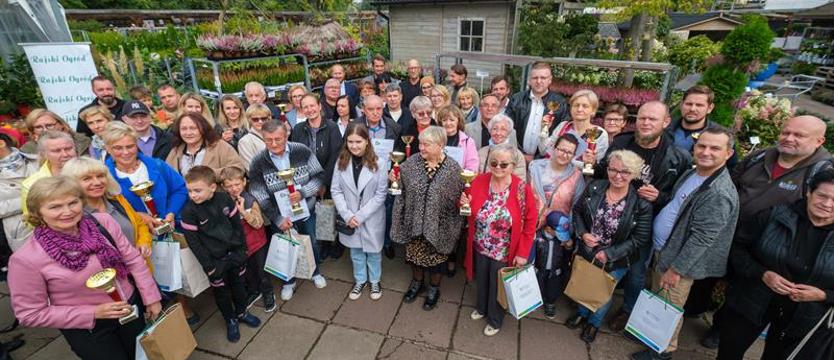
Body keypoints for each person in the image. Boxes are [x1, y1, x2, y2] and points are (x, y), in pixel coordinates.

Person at [700, 115, 833, 348]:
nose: (789, 138)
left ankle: (719, 328)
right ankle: (707, 313)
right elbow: (732, 181)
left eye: (799, 135)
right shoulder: (761, 156)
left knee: (742, 294)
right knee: (715, 282)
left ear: (819, 141)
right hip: (728, 236)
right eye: (786, 132)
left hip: (768, 250)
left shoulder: (822, 175)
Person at [9, 177, 161, 360]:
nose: (67, 212)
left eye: (73, 202)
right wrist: (93, 313)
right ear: (38, 212)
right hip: (91, 330)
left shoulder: (103, 222)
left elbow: (133, 260)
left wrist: (151, 299)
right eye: (55, 207)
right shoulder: (26, 259)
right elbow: (30, 314)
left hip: (132, 309)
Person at [631, 127, 739, 360]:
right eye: (702, 146)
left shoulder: (719, 192)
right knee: (659, 298)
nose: (706, 152)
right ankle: (652, 337)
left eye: (715, 148)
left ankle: (663, 351)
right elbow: (676, 203)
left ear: (728, 153)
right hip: (664, 249)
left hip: (678, 261)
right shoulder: (693, 173)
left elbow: (703, 238)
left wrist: (676, 269)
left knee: (669, 306)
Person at [594, 101, 693, 332]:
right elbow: (602, 174)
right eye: (642, 118)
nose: (646, 123)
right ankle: (590, 304)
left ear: (665, 122)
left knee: (637, 273)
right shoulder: (621, 142)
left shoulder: (678, 156)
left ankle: (628, 310)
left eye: (652, 119)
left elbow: (681, 197)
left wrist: (660, 197)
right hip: (611, 216)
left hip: (644, 223)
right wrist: (594, 163)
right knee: (600, 262)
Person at [718, 169, 834, 359]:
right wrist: (762, 273)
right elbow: (736, 249)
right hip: (750, 303)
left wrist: (824, 295)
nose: (827, 204)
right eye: (822, 195)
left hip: (803, 319)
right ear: (808, 192)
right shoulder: (775, 215)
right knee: (729, 353)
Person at [567, 150, 652, 343]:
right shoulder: (595, 187)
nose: (618, 175)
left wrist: (610, 253)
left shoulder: (641, 204)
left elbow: (640, 239)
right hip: (588, 250)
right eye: (613, 169)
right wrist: (583, 233)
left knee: (602, 291)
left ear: (634, 174)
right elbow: (578, 212)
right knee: (584, 283)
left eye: (625, 171)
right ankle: (582, 313)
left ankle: (594, 323)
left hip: (616, 258)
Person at [460, 143, 536, 336]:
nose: (498, 167)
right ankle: (481, 308)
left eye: (504, 164)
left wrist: (522, 253)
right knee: (481, 279)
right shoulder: (479, 180)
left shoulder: (522, 189)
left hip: (504, 249)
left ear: (513, 165)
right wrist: (462, 202)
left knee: (498, 285)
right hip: (480, 243)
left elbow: (530, 223)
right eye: (494, 163)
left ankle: (495, 320)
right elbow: (466, 207)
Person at [180, 166, 262, 343]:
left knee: (239, 287)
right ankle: (230, 319)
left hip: (235, 255)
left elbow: (237, 227)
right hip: (215, 262)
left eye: (197, 190)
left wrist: (242, 250)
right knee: (222, 293)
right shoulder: (188, 212)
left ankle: (242, 312)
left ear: (212, 187)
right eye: (190, 191)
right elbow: (194, 243)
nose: (193, 195)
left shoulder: (224, 199)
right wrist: (209, 266)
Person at [248, 120, 328, 301]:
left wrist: (303, 193)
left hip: (306, 208)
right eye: (269, 140)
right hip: (279, 214)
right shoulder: (258, 161)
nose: (274, 143)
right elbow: (258, 193)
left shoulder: (302, 150)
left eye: (278, 139)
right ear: (263, 139)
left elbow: (318, 176)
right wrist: (276, 218)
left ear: (286, 136)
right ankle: (288, 281)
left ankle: (315, 272)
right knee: (284, 247)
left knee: (312, 241)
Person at [391, 126, 464, 311]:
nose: (421, 147)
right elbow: (399, 186)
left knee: (437, 261)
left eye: (427, 144)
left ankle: (433, 288)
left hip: (440, 225)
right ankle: (417, 283)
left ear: (440, 145)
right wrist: (393, 177)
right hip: (414, 221)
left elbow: (458, 197)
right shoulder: (411, 163)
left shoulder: (453, 168)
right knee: (414, 257)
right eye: (421, 143)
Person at [528, 134, 586, 318]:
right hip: (533, 224)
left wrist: (566, 234)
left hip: (558, 229)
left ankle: (550, 300)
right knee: (531, 264)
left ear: (574, 155)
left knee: (553, 267)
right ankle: (529, 295)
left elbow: (576, 207)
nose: (564, 154)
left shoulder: (576, 177)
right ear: (553, 148)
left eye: (569, 152)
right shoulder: (535, 167)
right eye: (561, 149)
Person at [331, 123, 388, 301]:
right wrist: (347, 215)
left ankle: (375, 281)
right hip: (349, 216)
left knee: (374, 253)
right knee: (355, 253)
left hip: (371, 217)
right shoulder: (341, 162)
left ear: (367, 141)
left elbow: (381, 194)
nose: (354, 146)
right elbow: (335, 190)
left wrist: (361, 215)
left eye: (358, 141)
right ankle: (360, 280)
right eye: (350, 142)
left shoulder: (379, 163)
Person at [101, 121, 187, 234]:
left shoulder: (157, 165)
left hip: (170, 232)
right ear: (108, 149)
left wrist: (171, 212)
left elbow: (180, 189)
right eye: (118, 148)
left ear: (137, 144)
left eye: (130, 146)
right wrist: (136, 216)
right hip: (134, 238)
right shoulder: (103, 177)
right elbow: (103, 210)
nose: (125, 152)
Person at [62, 157, 153, 261]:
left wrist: (143, 242)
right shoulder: (73, 215)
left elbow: (139, 224)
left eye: (100, 176)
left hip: (141, 266)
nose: (97, 182)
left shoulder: (117, 200)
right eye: (87, 179)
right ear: (72, 183)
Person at [220, 167, 276, 313]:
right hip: (240, 246)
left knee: (262, 271)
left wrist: (243, 212)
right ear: (223, 187)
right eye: (229, 186)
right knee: (248, 272)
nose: (234, 189)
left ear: (244, 182)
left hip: (257, 243)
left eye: (237, 184)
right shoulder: (224, 202)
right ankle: (254, 291)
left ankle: (268, 292)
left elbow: (258, 223)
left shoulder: (250, 200)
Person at [507, 62, 570, 161]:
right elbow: (508, 128)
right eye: (535, 78)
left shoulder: (559, 103)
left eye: (543, 78)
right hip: (516, 157)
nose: (539, 81)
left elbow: (562, 134)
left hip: (546, 160)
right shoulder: (517, 99)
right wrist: (520, 155)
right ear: (529, 80)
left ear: (550, 80)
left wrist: (540, 157)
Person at [292, 94, 344, 196]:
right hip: (304, 184)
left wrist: (321, 183)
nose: (309, 110)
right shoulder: (298, 129)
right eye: (305, 107)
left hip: (328, 184)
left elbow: (335, 158)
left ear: (319, 106)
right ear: (302, 110)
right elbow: (295, 157)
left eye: (312, 105)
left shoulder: (332, 127)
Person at [165, 112, 245, 178]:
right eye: (184, 129)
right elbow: (166, 175)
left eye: (193, 128)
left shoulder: (220, 146)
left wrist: (208, 175)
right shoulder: (175, 151)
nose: (188, 133)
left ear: (203, 128)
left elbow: (238, 170)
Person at [543, 90, 609, 167]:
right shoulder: (563, 126)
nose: (579, 109)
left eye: (585, 106)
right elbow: (544, 152)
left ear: (593, 111)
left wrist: (562, 159)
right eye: (576, 105)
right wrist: (544, 129)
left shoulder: (599, 133)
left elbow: (596, 166)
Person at [21, 131, 78, 217]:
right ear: (44, 154)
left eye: (68, 149)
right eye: (57, 151)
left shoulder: (92, 170)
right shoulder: (31, 184)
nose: (65, 154)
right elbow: (31, 218)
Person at [0, 131, 38, 252]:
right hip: (21, 231)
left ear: (1, 143)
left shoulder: (37, 160)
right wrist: (32, 200)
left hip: (56, 222)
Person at [21, 109, 90, 156]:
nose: (45, 130)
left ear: (61, 125)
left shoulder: (83, 141)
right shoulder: (28, 150)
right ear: (32, 130)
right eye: (38, 127)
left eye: (49, 125)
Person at [476, 114, 526, 178]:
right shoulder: (481, 153)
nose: (498, 133)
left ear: (508, 133)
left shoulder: (517, 155)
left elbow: (520, 181)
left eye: (503, 129)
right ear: (490, 131)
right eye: (494, 129)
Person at [438, 105, 479, 172]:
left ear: (458, 121)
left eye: (452, 120)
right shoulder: (435, 140)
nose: (448, 123)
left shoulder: (468, 142)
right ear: (441, 122)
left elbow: (472, 167)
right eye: (444, 120)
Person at [237, 104, 272, 169]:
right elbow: (250, 167)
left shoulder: (275, 135)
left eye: (263, 118)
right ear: (249, 120)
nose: (260, 122)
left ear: (268, 119)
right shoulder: (245, 141)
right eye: (255, 119)